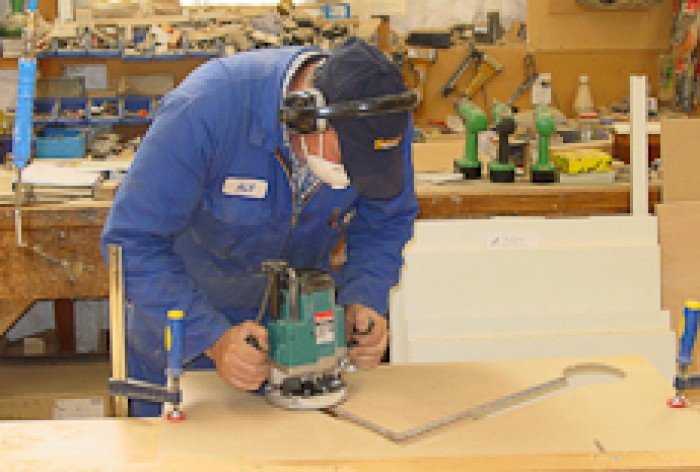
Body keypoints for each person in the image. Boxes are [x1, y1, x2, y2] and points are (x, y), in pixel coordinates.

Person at [101, 37, 419, 417]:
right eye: (346, 158)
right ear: (308, 115)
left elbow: (386, 218)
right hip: (183, 333)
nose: (353, 175)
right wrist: (211, 338)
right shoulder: (205, 109)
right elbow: (132, 241)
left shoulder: (379, 119)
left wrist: (365, 296)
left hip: (296, 344)